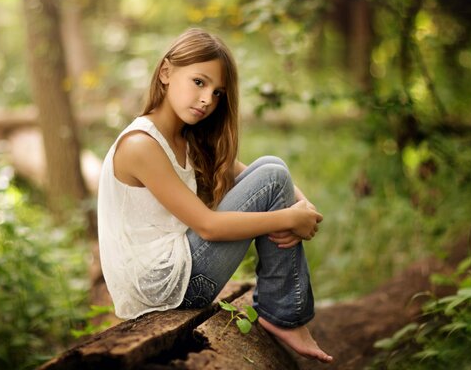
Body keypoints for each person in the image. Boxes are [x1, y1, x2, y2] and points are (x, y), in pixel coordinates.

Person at [97, 28, 333, 363]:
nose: (208, 99)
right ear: (166, 73)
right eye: (199, 82)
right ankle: (285, 314)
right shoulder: (141, 145)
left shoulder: (185, 138)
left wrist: (303, 205)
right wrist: (289, 217)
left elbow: (254, 174)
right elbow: (208, 226)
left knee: (272, 168)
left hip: (176, 276)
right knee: (273, 174)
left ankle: (282, 311)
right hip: (166, 286)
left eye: (218, 92)